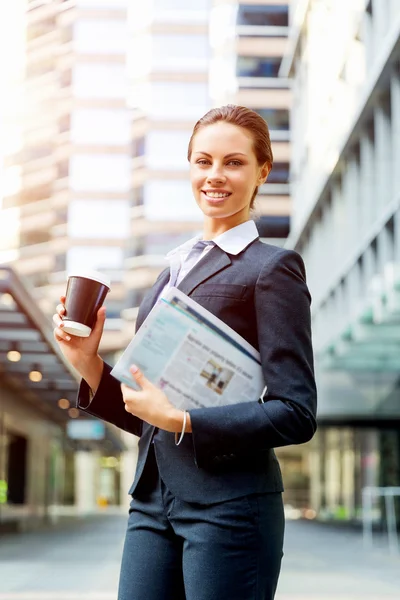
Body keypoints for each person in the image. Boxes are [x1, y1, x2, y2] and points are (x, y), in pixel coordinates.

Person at [53, 105, 317, 600]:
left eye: (233, 163)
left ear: (262, 171)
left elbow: (296, 413)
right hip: (152, 503)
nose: (215, 176)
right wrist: (87, 361)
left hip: (231, 509)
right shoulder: (171, 269)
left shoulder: (273, 268)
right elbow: (150, 413)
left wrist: (186, 422)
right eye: (203, 161)